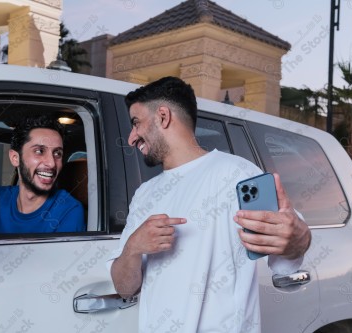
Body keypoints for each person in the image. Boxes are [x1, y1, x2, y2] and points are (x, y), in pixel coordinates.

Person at [107, 77, 311, 333]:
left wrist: (299, 236)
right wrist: (133, 248)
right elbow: (124, 287)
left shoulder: (237, 174)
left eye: (136, 123)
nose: (131, 137)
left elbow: (287, 253)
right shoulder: (145, 194)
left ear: (162, 116)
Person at [0, 115, 85, 233]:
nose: (51, 163)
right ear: (15, 158)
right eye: (39, 151)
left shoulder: (68, 211)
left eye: (57, 153)